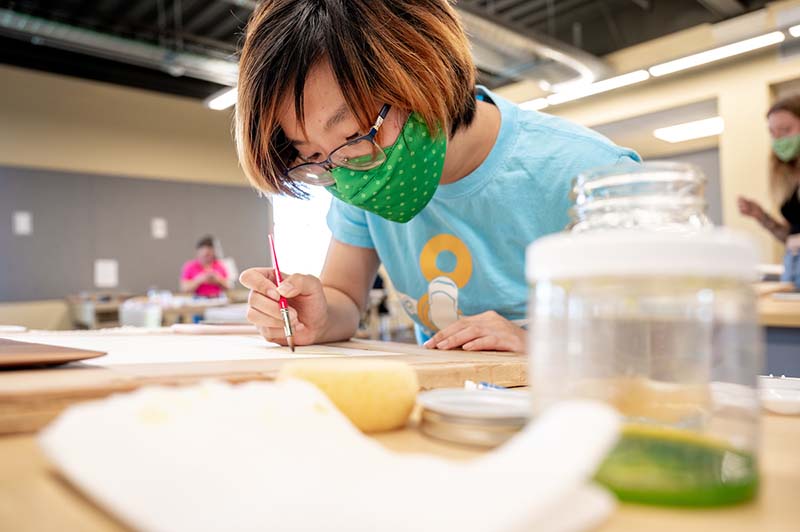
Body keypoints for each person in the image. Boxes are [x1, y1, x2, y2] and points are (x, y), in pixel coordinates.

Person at [237, 0, 639, 352]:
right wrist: (317, 316)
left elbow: (651, 337)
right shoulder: (355, 178)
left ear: (423, 69)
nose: (346, 172)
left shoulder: (589, 174)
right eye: (314, 156)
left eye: (353, 135)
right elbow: (344, 294)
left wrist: (538, 345)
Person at [738, 95, 800, 283]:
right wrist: (761, 216)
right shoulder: (791, 179)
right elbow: (791, 238)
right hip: (793, 268)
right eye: (773, 133)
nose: (778, 139)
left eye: (785, 130)